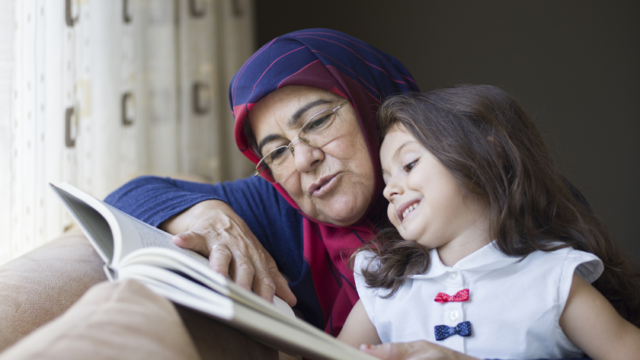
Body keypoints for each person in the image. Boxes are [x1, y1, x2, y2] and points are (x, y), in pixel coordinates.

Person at [336, 86, 640, 360]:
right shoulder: (387, 286)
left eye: (409, 165)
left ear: (491, 157)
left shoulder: (553, 279)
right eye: (387, 180)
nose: (390, 190)